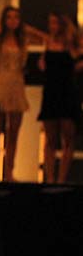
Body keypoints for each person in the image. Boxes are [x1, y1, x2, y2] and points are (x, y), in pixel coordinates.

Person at [0, 5, 46, 182]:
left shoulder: (22, 39)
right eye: (9, 17)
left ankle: (9, 171)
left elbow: (45, 38)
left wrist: (29, 29)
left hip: (17, 83)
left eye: (16, 18)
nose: (13, 21)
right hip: (0, 82)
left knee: (14, 130)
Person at [38, 12, 81, 183]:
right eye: (50, 23)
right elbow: (43, 63)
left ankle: (61, 178)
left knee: (68, 138)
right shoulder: (48, 42)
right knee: (50, 138)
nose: (52, 26)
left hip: (67, 92)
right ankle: (50, 178)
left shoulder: (71, 45)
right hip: (51, 92)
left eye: (56, 23)